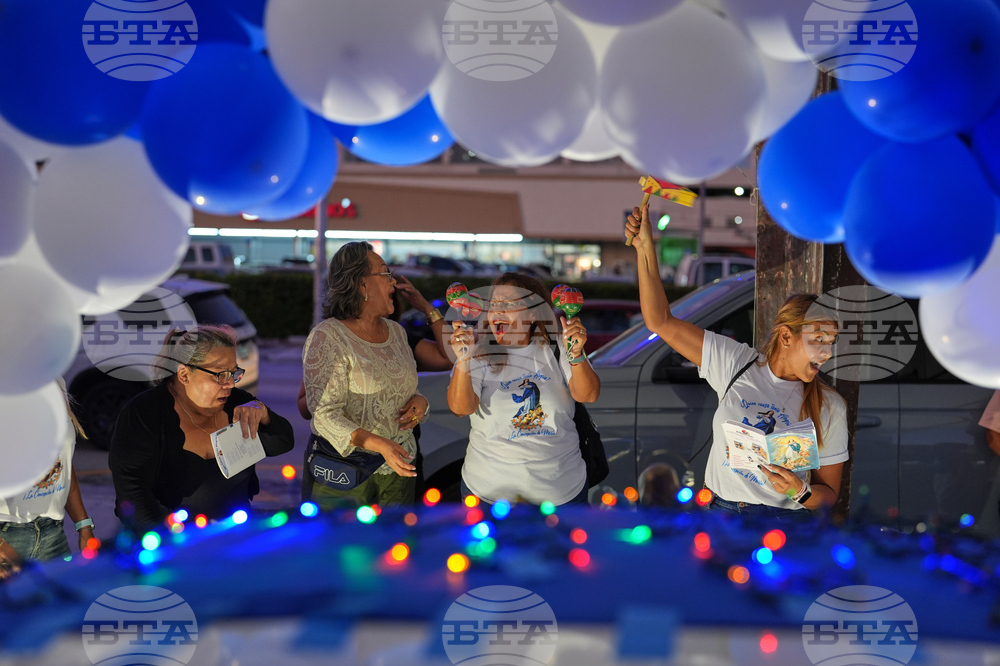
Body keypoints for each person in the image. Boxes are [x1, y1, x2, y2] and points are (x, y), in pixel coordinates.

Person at [625, 205, 848, 517]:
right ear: (786, 337)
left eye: (831, 343)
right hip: (721, 513)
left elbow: (828, 495)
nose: (827, 353)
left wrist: (800, 490)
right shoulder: (736, 363)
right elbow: (660, 321)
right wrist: (645, 248)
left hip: (784, 523)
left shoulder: (830, 406)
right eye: (818, 341)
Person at [109, 326, 294, 530]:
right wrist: (166, 540)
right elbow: (133, 490)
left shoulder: (237, 403)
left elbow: (283, 442)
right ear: (184, 375)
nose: (230, 384)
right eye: (220, 374)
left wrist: (264, 413)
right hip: (168, 538)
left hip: (232, 535)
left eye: (233, 373)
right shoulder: (143, 413)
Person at [447, 272, 601, 506]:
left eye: (508, 304)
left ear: (533, 313)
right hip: (489, 496)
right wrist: (462, 360)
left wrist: (577, 354)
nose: (497, 311)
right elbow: (460, 408)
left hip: (562, 493)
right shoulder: (476, 352)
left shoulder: (558, 346)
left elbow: (588, 395)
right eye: (493, 305)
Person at [296, 274, 452, 500]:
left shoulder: (400, 338)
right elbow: (311, 407)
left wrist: (427, 309)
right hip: (347, 467)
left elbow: (450, 357)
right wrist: (339, 393)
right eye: (385, 279)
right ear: (363, 289)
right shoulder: (334, 338)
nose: (392, 286)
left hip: (400, 460)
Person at [0, 387, 95, 580]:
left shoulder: (55, 383)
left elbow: (64, 466)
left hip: (53, 534)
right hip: (8, 535)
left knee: (63, 599)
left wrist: (84, 525)